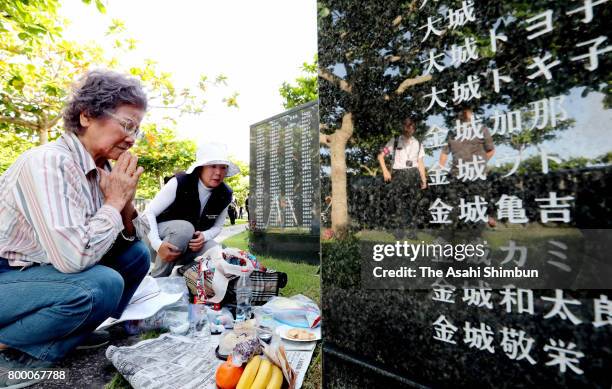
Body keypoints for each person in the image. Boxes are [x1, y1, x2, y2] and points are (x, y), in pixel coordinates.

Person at [0, 70, 150, 380]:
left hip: (42, 275)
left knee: (136, 257)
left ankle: (66, 333)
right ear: (86, 117)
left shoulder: (101, 171)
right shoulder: (49, 162)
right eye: (126, 124)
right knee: (101, 284)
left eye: (137, 130)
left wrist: (124, 203)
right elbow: (73, 258)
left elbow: (133, 242)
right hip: (9, 276)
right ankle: (16, 352)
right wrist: (112, 202)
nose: (132, 138)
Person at [144, 143, 239, 277]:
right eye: (212, 166)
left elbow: (218, 227)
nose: (218, 172)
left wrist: (204, 236)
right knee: (185, 228)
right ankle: (158, 278)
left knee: (218, 251)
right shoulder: (180, 182)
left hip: (186, 248)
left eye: (223, 167)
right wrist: (157, 244)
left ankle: (185, 275)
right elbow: (148, 213)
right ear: (201, 168)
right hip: (154, 243)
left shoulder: (225, 193)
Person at [438, 107, 496, 230]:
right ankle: (449, 235)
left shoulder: (482, 129)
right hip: (456, 175)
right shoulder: (452, 133)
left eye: (467, 116)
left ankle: (476, 236)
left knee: (476, 206)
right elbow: (444, 153)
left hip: (476, 175)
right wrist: (440, 169)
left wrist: (479, 164)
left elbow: (491, 150)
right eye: (461, 116)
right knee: (452, 205)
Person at [377, 117, 428, 236]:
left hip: (413, 174)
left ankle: (412, 232)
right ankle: (399, 231)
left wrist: (424, 179)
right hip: (398, 174)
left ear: (413, 129)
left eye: (410, 126)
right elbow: (380, 156)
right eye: (406, 125)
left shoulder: (419, 144)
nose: (408, 128)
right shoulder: (394, 141)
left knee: (413, 203)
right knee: (397, 203)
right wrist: (385, 171)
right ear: (403, 127)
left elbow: (420, 162)